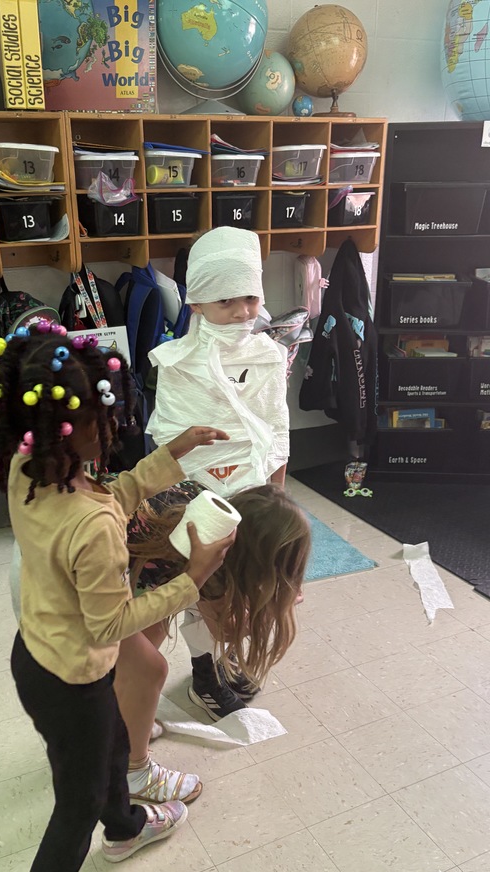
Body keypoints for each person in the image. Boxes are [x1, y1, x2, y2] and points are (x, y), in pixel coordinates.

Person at [0, 322, 233, 872]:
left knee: (113, 742)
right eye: (104, 415)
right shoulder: (91, 525)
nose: (112, 426)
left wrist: (171, 454)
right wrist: (194, 577)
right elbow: (110, 624)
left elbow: (111, 496)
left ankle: (125, 830)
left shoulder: (28, 469)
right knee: (78, 802)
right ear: (81, 428)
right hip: (71, 677)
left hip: (35, 654)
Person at [146, 227, 291, 717]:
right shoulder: (176, 364)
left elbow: (274, 427)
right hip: (196, 498)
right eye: (226, 301)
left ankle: (226, 657)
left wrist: (276, 492)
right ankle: (204, 671)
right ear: (198, 304)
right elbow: (171, 442)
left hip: (252, 493)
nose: (243, 312)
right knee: (202, 587)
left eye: (251, 298)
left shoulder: (268, 355)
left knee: (244, 588)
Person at [115, 481, 311, 800]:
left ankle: (123, 725)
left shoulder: (207, 505)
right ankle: (135, 773)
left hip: (98, 562)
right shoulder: (215, 562)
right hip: (76, 586)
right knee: (148, 670)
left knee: (148, 643)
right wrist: (280, 605)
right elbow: (227, 631)